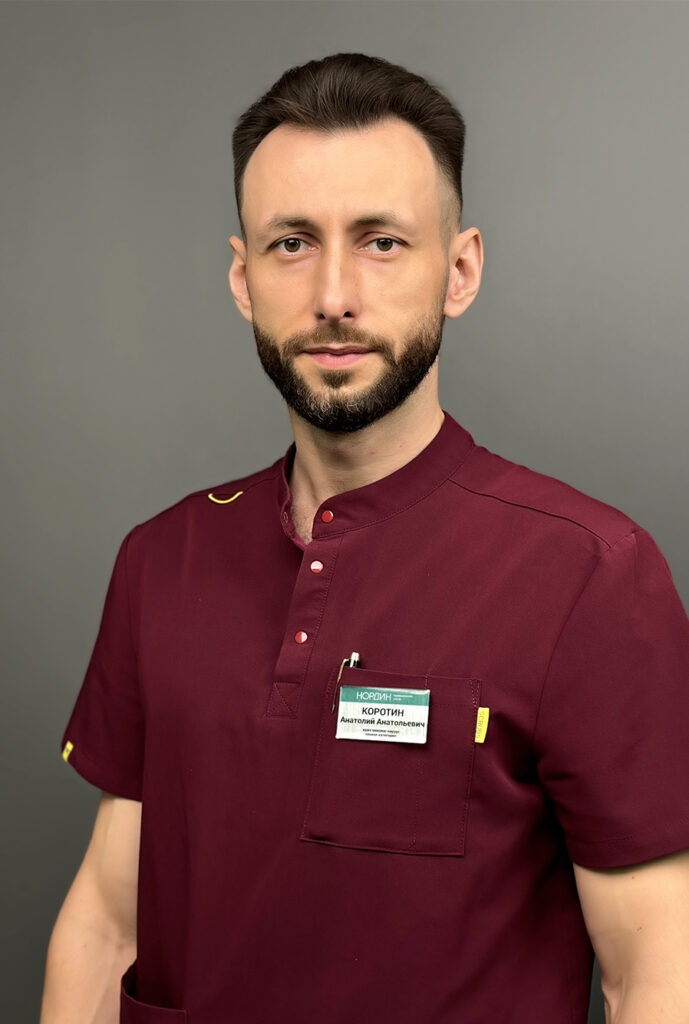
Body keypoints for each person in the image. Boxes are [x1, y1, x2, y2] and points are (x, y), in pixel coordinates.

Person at [41, 52, 689, 1024]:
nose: (333, 293)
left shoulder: (587, 573)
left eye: (381, 242)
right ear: (242, 278)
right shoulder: (160, 560)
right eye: (291, 243)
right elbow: (105, 921)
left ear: (459, 270)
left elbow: (657, 973)